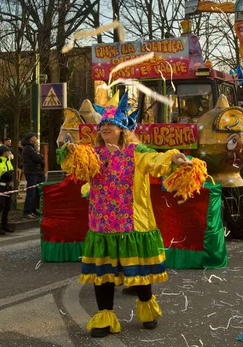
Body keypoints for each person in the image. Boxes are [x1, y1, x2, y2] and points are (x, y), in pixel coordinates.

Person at [56, 91, 196, 339]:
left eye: (112, 124)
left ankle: (147, 309)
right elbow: (73, 161)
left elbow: (157, 159)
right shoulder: (94, 155)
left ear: (123, 129)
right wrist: (65, 148)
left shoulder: (136, 152)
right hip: (103, 225)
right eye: (103, 125)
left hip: (133, 224)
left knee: (139, 275)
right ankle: (105, 317)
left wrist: (174, 157)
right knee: (103, 276)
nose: (106, 128)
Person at [21, 132, 44, 219]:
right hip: (31, 172)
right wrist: (40, 156)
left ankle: (32, 210)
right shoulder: (28, 148)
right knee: (31, 192)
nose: (36, 138)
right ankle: (27, 211)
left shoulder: (31, 148)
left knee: (34, 193)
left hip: (34, 172)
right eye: (34, 137)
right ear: (30, 138)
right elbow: (38, 158)